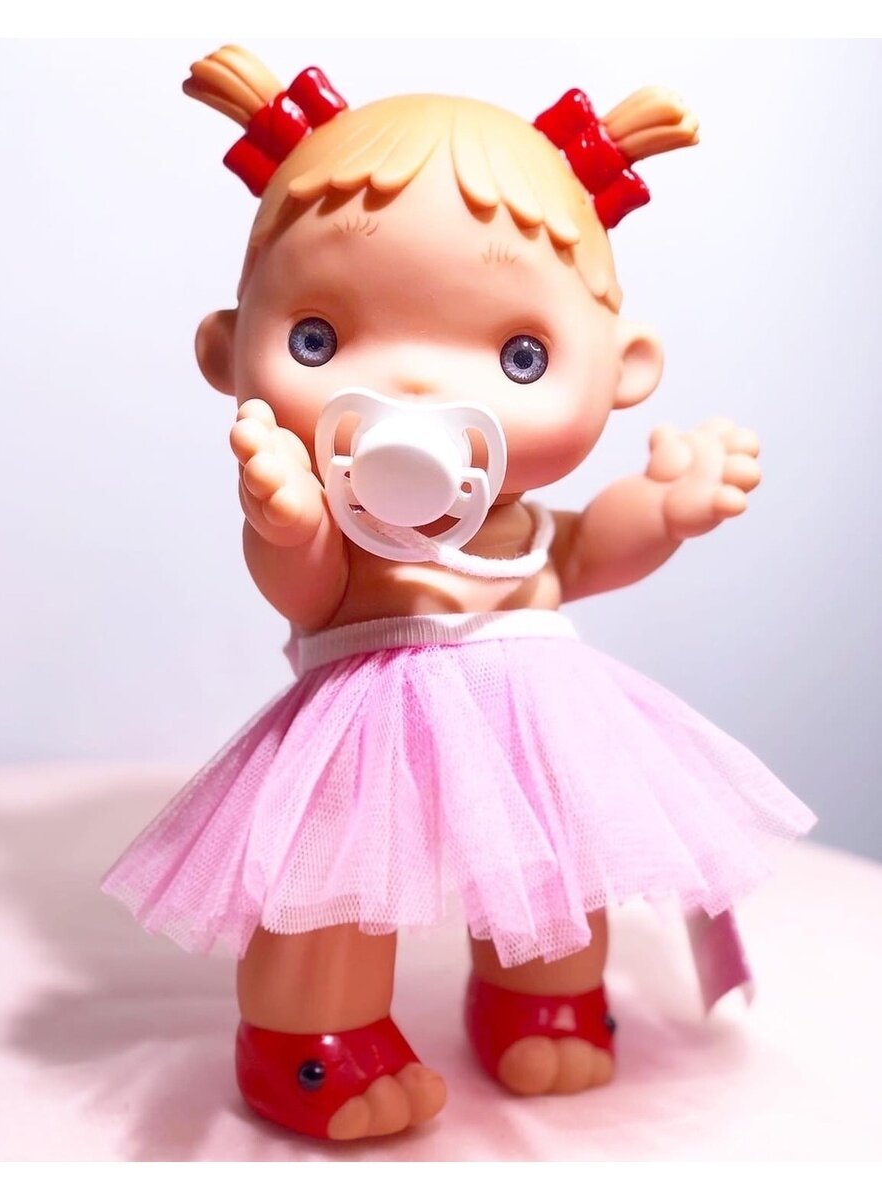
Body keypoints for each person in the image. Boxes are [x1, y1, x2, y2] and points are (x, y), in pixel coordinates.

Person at [102, 45, 816, 1141]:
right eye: (319, 338)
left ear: (624, 367)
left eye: (520, 355)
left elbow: (582, 551)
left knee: (556, 869)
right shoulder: (338, 518)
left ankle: (544, 998)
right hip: (361, 733)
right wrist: (289, 525)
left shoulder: (519, 520)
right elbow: (309, 591)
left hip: (538, 728)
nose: (419, 387)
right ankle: (310, 1040)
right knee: (329, 885)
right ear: (226, 352)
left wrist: (666, 510)